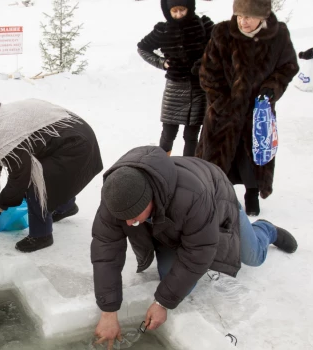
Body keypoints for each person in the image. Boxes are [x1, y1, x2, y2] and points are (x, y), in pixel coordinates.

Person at [91, 146, 297, 348]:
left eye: (134, 217)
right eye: (124, 218)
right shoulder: (116, 196)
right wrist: (108, 312)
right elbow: (105, 252)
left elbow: (200, 250)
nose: (128, 224)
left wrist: (162, 304)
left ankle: (266, 230)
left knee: (253, 256)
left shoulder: (192, 197)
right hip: (171, 223)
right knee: (174, 281)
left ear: (151, 200)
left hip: (216, 199)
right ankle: (175, 236)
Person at [0, 98, 103, 252]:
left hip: (75, 144)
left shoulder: (3, 135)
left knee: (36, 183)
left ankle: (41, 235)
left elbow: (20, 180)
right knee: (48, 176)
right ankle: (65, 207)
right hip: (63, 137)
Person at [196, 0, 299, 216]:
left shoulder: (278, 35)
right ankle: (220, 197)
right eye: (240, 16)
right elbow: (208, 72)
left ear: (262, 16)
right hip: (225, 110)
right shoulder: (222, 33)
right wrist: (222, 101)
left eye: (249, 17)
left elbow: (288, 67)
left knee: (253, 157)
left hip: (258, 111)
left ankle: (252, 194)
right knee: (218, 159)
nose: (243, 21)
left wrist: (271, 89)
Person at [137, 0, 214, 157]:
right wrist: (161, 62)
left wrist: (205, 64)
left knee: (191, 136)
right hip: (174, 89)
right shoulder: (164, 30)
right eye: (175, 11)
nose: (179, 15)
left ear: (189, 8)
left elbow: (218, 47)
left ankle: (189, 168)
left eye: (182, 10)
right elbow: (142, 48)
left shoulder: (203, 26)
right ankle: (161, 167)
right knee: (168, 134)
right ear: (168, 11)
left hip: (198, 89)